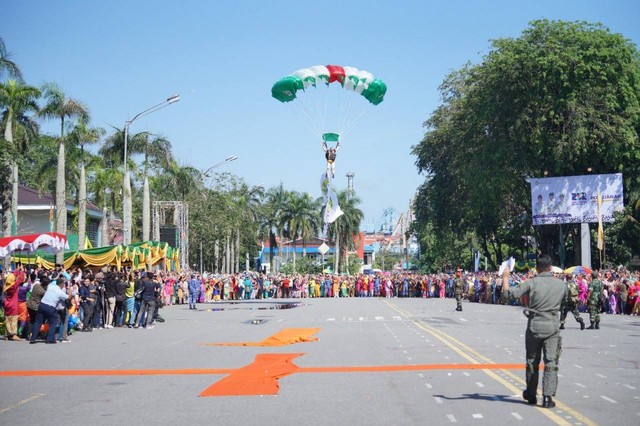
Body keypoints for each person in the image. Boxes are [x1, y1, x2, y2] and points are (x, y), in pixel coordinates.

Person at [501, 255, 567, 409]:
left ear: (537, 268)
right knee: (551, 362)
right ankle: (547, 397)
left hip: (534, 326)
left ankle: (531, 393)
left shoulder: (531, 283)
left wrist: (505, 278)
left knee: (532, 361)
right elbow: (567, 303)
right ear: (550, 268)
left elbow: (508, 295)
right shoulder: (561, 285)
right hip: (552, 327)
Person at [30, 276, 72, 344]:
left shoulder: (50, 286)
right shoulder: (60, 292)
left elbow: (50, 282)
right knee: (53, 322)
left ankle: (33, 338)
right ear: (61, 284)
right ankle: (50, 339)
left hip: (42, 305)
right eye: (63, 284)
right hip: (50, 307)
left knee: (38, 322)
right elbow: (69, 297)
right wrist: (69, 289)